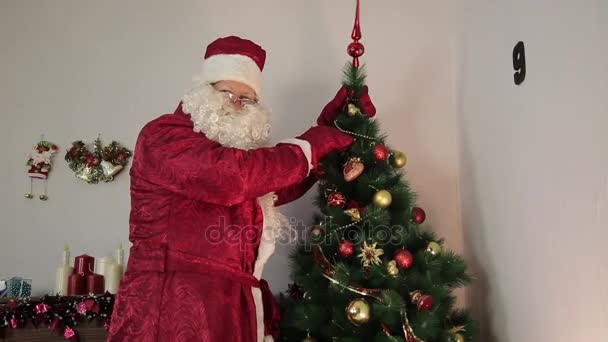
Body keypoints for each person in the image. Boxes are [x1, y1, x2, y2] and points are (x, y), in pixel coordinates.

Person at [107, 36, 357, 342]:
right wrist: (310, 145)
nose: (237, 104)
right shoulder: (164, 136)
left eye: (248, 98)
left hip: (232, 309)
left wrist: (329, 128)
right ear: (203, 91)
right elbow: (232, 177)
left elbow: (273, 186)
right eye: (226, 92)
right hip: (171, 306)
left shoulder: (243, 161)